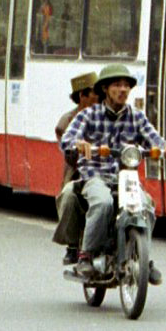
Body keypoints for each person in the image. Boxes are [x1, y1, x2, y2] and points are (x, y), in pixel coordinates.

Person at [60, 64, 166, 284]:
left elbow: (155, 139)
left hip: (126, 178)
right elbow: (67, 139)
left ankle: (144, 259)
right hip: (94, 175)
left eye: (126, 86)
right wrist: (79, 143)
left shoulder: (136, 117)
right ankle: (86, 255)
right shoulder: (88, 115)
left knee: (146, 206)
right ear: (105, 89)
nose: (122, 90)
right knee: (102, 203)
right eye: (116, 85)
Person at [52, 71, 99, 265]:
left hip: (107, 172)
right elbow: (69, 152)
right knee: (69, 196)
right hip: (79, 174)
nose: (101, 98)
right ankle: (72, 246)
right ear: (83, 96)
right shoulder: (66, 123)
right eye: (96, 93)